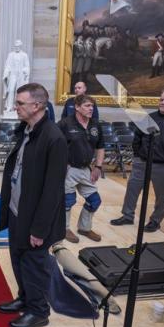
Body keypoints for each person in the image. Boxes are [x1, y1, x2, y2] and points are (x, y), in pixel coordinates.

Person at [0, 83, 68, 327]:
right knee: (18, 259)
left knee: (34, 264)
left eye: (20, 103)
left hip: (36, 218)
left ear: (37, 105)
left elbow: (53, 190)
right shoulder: (27, 130)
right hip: (19, 210)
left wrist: (39, 229)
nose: (15, 107)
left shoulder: (54, 137)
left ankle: (38, 311)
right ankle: (25, 298)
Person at [110, 89, 164, 232]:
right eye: (161, 99)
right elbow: (137, 138)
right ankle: (127, 215)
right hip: (142, 162)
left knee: (162, 196)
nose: (162, 102)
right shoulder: (149, 117)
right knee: (132, 189)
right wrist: (138, 156)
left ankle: (155, 221)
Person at [58, 94, 104, 244]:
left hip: (86, 169)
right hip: (69, 170)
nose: (91, 109)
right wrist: (61, 165)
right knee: (68, 201)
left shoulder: (96, 125)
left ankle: (84, 228)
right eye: (87, 106)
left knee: (94, 200)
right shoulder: (65, 124)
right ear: (77, 107)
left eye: (92, 106)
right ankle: (63, 229)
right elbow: (55, 146)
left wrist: (98, 166)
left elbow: (100, 147)